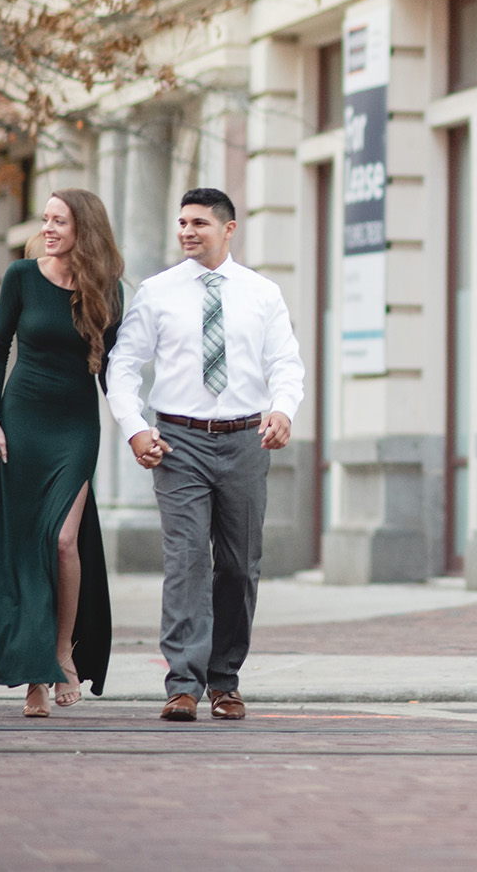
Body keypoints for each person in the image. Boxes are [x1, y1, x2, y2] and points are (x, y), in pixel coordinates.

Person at [0, 189, 123, 718]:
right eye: (46, 219)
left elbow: (118, 372)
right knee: (27, 545)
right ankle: (35, 676)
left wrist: (137, 428)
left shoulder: (108, 290)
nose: (48, 228)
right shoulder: (21, 277)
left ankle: (62, 652)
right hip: (23, 420)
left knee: (62, 540)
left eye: (60, 221)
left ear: (85, 229)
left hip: (77, 427)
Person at [105, 187, 304, 722]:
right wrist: (134, 427)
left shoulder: (262, 293)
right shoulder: (158, 292)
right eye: (182, 223)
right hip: (178, 442)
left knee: (239, 566)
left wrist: (283, 409)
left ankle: (225, 680)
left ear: (228, 228)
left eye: (199, 223)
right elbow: (123, 364)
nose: (187, 232)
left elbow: (286, 362)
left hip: (245, 439)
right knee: (188, 560)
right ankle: (183, 684)